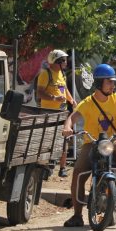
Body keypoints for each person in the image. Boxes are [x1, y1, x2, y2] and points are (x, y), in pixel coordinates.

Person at [61, 64, 116, 227]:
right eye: (109, 82)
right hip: (92, 143)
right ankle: (77, 215)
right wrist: (67, 127)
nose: (113, 85)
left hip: (112, 141)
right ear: (99, 83)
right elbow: (72, 117)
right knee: (78, 173)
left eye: (113, 82)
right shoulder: (88, 102)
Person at [38, 49, 78, 177]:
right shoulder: (45, 74)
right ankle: (47, 166)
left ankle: (62, 167)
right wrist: (54, 98)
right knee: (49, 140)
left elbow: (64, 89)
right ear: (57, 61)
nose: (66, 62)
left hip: (62, 113)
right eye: (64, 60)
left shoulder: (62, 73)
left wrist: (71, 100)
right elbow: (40, 93)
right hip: (49, 114)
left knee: (64, 139)